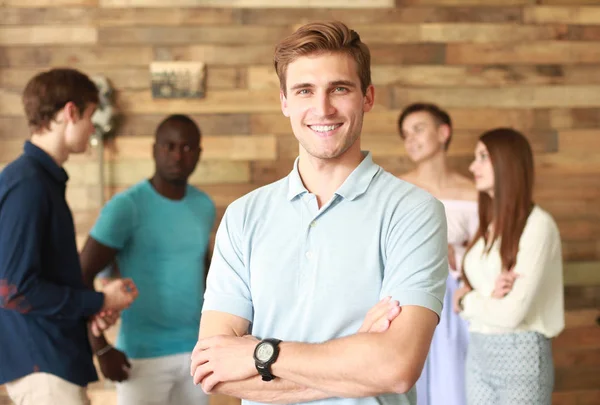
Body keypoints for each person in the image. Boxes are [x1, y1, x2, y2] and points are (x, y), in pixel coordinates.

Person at [189, 21, 449, 405]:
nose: (322, 108)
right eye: (304, 90)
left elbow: (395, 367)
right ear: (284, 102)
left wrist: (260, 354)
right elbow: (211, 370)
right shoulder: (244, 215)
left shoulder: (414, 212)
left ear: (368, 97)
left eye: (339, 88)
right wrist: (354, 357)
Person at [0, 68, 137, 405]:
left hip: (52, 361)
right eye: (91, 115)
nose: (93, 128)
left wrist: (90, 307)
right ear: (70, 112)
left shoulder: (41, 180)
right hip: (42, 366)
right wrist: (99, 301)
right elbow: (15, 290)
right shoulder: (28, 183)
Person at [79, 114, 217, 405]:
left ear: (199, 154)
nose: (178, 155)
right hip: (141, 356)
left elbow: (205, 273)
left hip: (196, 352)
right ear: (154, 149)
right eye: (169, 146)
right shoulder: (126, 207)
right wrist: (100, 348)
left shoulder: (203, 205)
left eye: (187, 147)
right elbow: (81, 273)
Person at [453, 128, 564, 405]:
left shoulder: (538, 226)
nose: (472, 166)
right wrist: (487, 294)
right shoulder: (489, 225)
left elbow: (511, 313)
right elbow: (481, 290)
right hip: (478, 350)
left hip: (521, 355)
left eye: (482, 157)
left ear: (507, 163)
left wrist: (467, 300)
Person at [398, 103, 478, 405]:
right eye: (405, 135)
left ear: (443, 133)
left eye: (418, 129)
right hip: (411, 298)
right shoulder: (399, 189)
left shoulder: (474, 191)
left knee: (458, 380)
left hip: (462, 299)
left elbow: (490, 248)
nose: (411, 140)